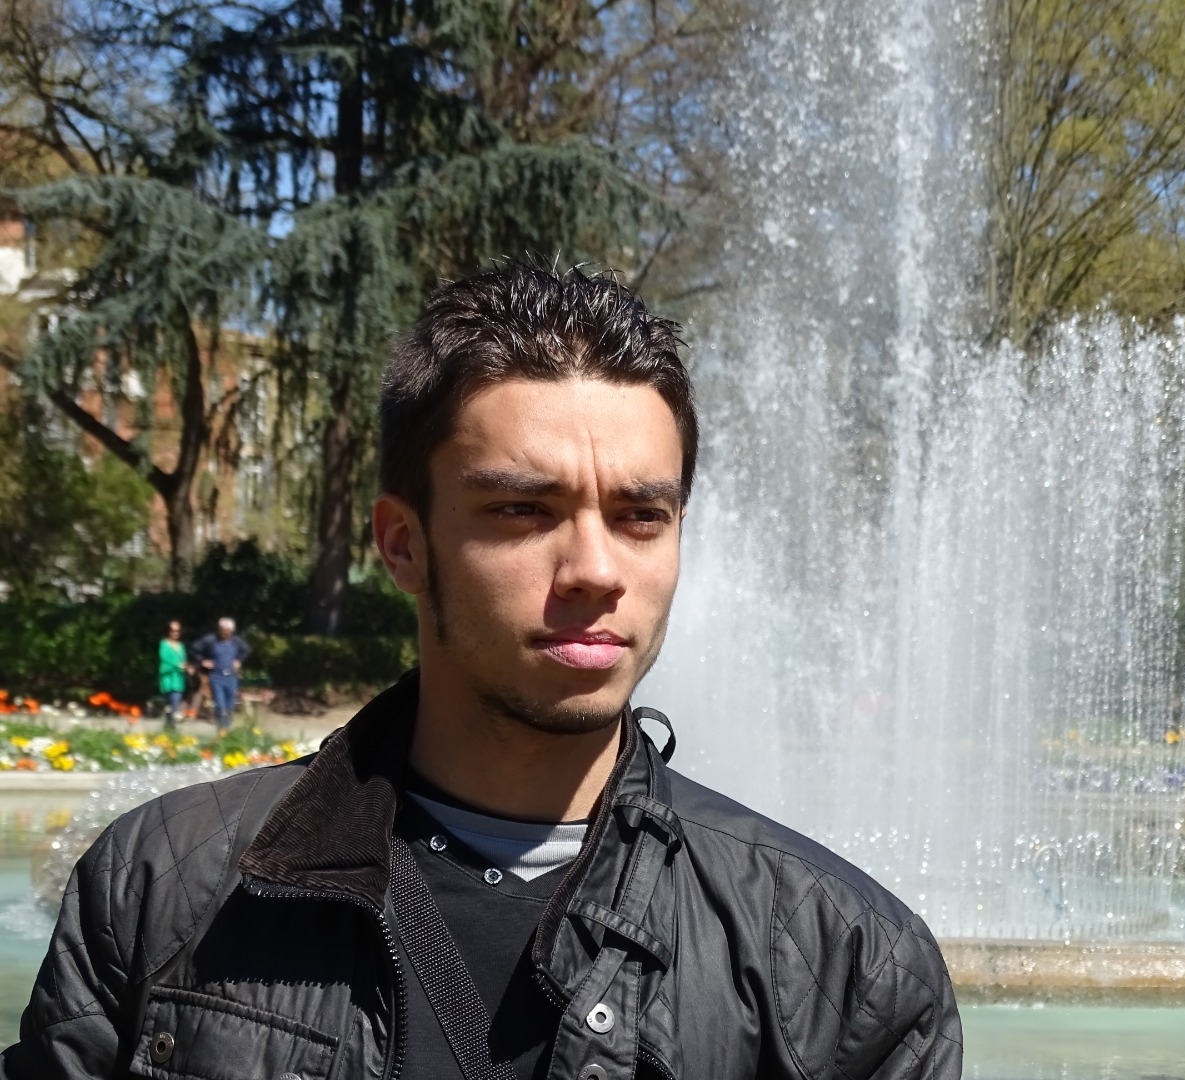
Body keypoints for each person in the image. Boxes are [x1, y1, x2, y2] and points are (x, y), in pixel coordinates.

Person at [3, 266, 963, 1079]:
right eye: (522, 511)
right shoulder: (160, 890)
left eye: (641, 517)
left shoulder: (844, 965)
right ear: (403, 544)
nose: (595, 569)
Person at [189, 617, 250, 733]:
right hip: (216, 676)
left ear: (232, 631)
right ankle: (220, 730)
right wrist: (202, 661)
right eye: (224, 631)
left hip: (231, 677)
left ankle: (226, 730)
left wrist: (239, 661)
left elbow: (247, 650)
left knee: (230, 705)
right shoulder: (210, 639)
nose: (226, 634)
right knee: (220, 705)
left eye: (229, 631)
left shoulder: (236, 641)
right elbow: (193, 649)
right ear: (219, 629)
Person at [157, 620, 189, 729]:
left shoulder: (181, 646)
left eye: (178, 630)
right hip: (168, 677)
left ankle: (169, 727)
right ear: (168, 631)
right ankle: (172, 723)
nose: (175, 633)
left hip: (178, 678)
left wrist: (186, 666)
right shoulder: (164, 644)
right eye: (173, 630)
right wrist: (178, 665)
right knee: (173, 702)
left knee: (173, 703)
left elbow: (183, 660)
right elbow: (165, 659)